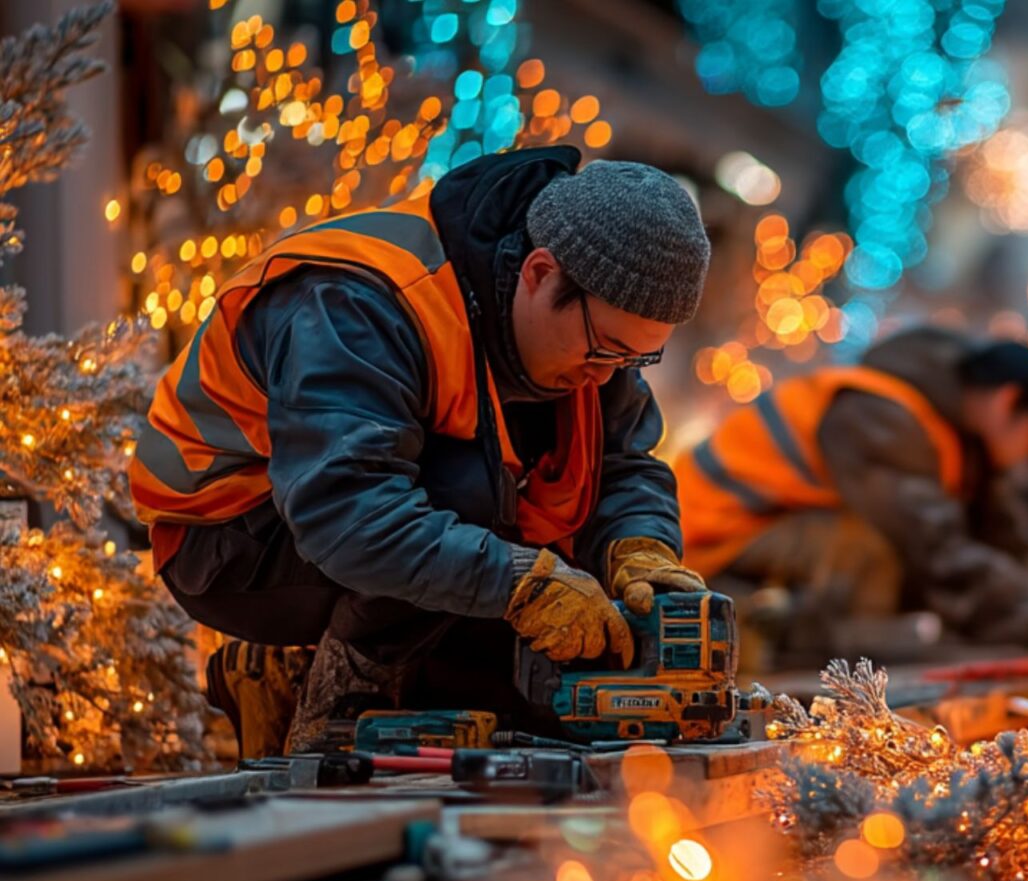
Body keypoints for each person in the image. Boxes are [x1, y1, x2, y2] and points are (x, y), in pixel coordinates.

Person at [128, 148, 711, 756]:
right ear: (540, 273)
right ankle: (333, 711)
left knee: (530, 699)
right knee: (469, 497)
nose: (606, 376)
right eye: (604, 351)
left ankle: (282, 679)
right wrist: (520, 583)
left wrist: (640, 547)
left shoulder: (589, 328)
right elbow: (349, 512)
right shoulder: (361, 303)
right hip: (234, 536)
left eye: (634, 360)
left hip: (373, 518)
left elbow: (622, 462)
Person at [675, 327, 1028, 658]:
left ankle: (812, 638)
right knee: (869, 545)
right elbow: (932, 544)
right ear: (1008, 403)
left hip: (760, 523)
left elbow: (1000, 536)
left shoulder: (950, 428)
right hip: (709, 531)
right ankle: (799, 647)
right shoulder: (881, 416)